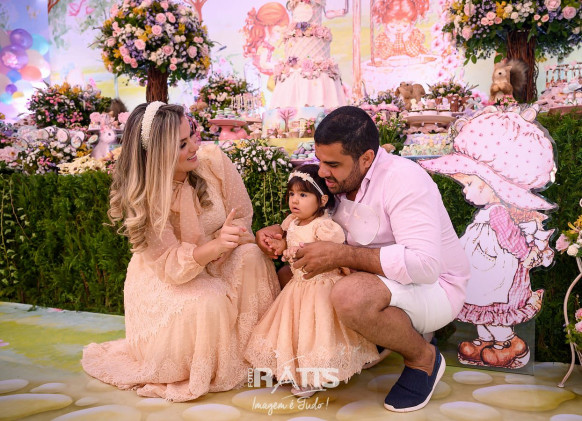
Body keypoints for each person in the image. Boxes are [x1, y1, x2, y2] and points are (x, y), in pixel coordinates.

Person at [256, 106, 471, 412]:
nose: (322, 172)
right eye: (319, 160)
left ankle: (422, 357)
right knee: (290, 277)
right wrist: (278, 232)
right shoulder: (339, 178)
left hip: (434, 288)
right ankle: (332, 353)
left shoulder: (404, 179)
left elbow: (424, 265)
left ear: (367, 158)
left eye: (332, 164)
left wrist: (342, 255)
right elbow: (315, 215)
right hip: (373, 278)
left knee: (350, 295)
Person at [82, 102, 280, 402]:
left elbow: (241, 214)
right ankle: (209, 365)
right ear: (157, 155)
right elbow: (170, 267)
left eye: (192, 135)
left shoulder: (213, 161)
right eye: (182, 145)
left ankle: (255, 355)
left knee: (252, 257)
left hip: (220, 259)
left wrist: (227, 240)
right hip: (167, 278)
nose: (195, 147)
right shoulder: (147, 197)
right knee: (209, 300)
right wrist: (214, 246)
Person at [419, 110, 555, 369]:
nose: (465, 192)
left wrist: (526, 255)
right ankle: (484, 342)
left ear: (490, 185)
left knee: (494, 309)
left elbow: (511, 239)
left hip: (497, 272)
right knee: (481, 307)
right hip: (483, 270)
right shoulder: (487, 214)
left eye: (469, 184)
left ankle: (508, 343)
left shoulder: (498, 213)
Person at [246, 164, 379, 397]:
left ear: (322, 200)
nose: (294, 200)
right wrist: (280, 244)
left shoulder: (324, 227)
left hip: (321, 287)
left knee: (317, 332)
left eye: (303, 195)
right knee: (297, 331)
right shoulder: (291, 222)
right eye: (292, 194)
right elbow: (289, 242)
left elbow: (335, 253)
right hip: (298, 288)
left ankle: (315, 376)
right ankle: (293, 369)